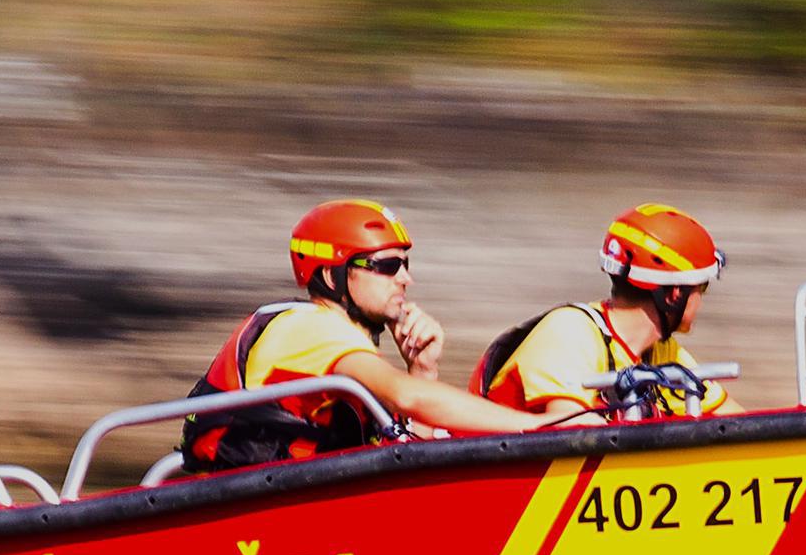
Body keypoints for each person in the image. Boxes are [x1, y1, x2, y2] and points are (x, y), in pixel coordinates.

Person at [181, 199, 547, 472]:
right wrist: (537, 427)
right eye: (386, 266)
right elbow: (410, 397)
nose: (406, 279)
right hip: (267, 522)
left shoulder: (345, 350)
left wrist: (422, 370)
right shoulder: (311, 329)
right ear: (331, 276)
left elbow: (408, 460)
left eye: (405, 265)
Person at [473, 202, 740, 422]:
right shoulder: (569, 332)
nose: (702, 299)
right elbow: (572, 431)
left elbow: (737, 422)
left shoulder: (662, 352)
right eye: (701, 287)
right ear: (674, 294)